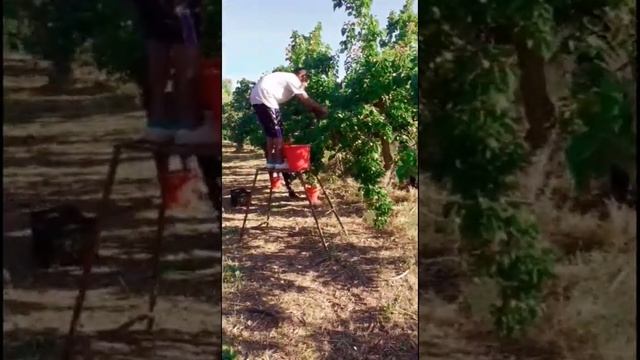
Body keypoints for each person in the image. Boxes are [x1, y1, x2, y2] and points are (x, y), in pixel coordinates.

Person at [249, 69, 327, 186]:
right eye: (306, 82)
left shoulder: (285, 78)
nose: (305, 85)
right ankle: (279, 161)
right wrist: (321, 109)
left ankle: (271, 161)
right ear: (302, 76)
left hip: (256, 98)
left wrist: (313, 110)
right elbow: (304, 99)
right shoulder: (294, 79)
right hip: (265, 97)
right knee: (278, 131)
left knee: (270, 133)